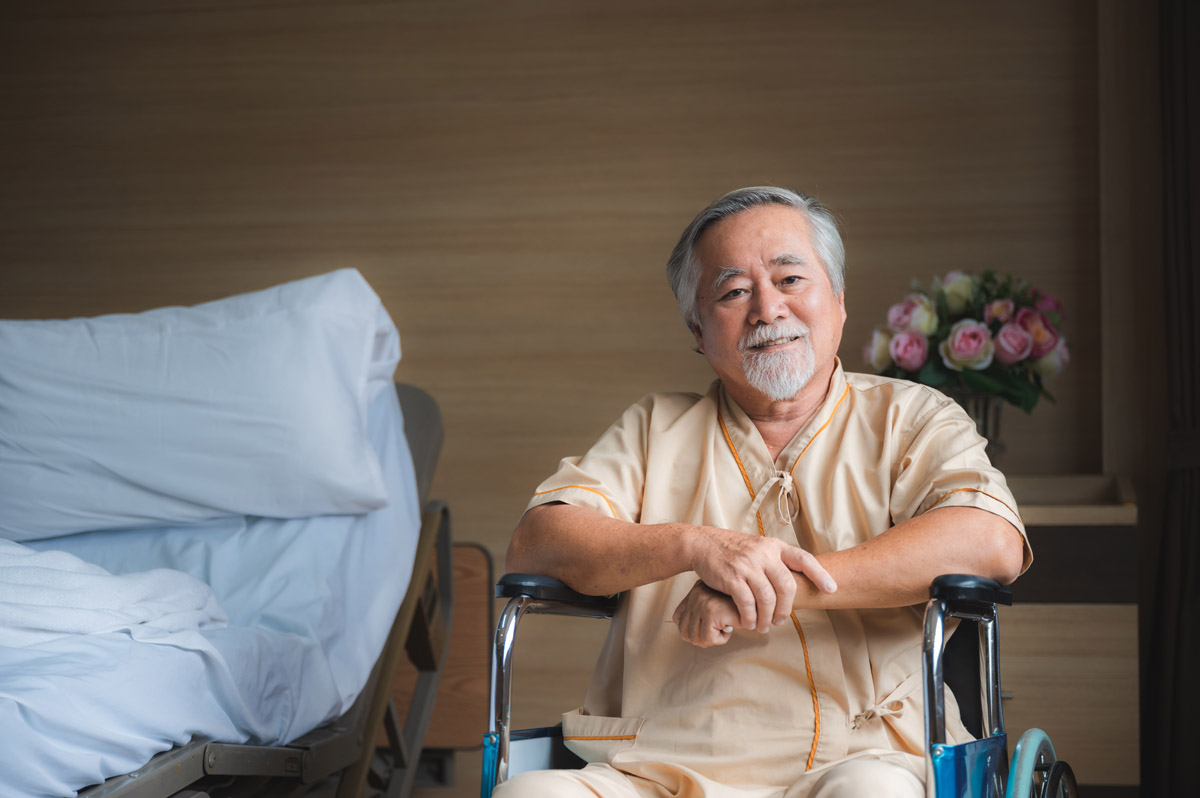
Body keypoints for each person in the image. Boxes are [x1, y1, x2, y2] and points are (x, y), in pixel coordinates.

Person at [497, 187, 1031, 798]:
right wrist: (697, 547)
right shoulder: (653, 429)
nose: (768, 310)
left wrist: (774, 587)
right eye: (733, 292)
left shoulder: (912, 417)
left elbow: (991, 541)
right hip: (663, 762)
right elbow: (536, 545)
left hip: (864, 755)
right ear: (699, 331)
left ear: (838, 300)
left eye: (791, 279)